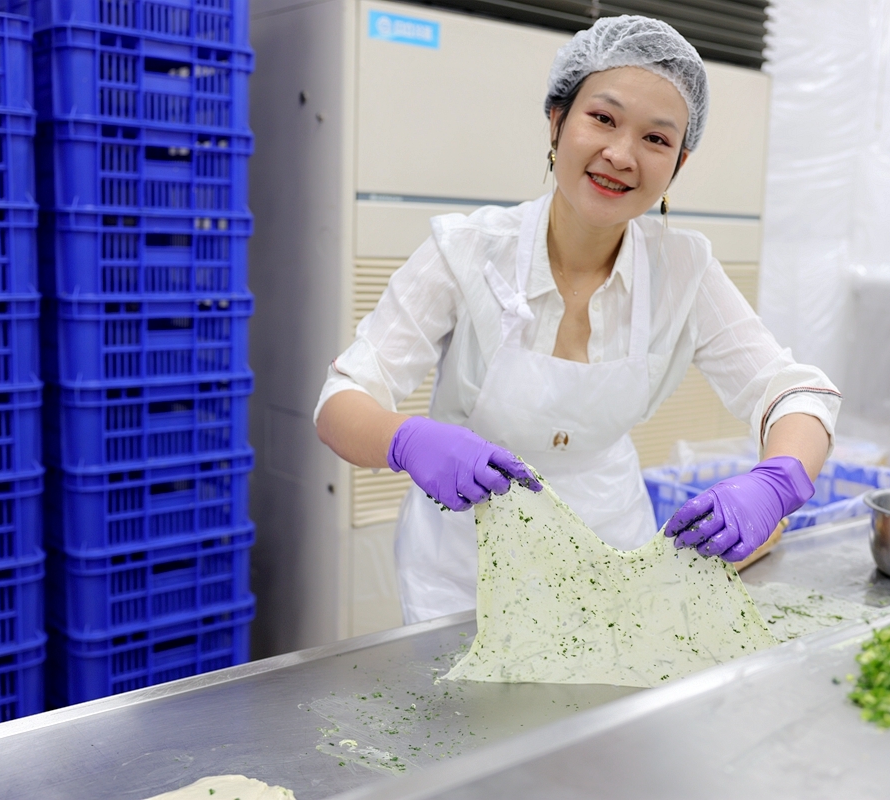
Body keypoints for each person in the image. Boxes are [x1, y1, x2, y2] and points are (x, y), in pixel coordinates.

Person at [315, 16, 841, 624]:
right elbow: (341, 401)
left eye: (656, 138)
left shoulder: (682, 270)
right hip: (463, 573)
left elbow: (795, 391)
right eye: (603, 118)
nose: (621, 155)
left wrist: (776, 482)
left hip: (612, 559)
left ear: (678, 163)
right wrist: (405, 441)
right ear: (557, 120)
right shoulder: (467, 251)